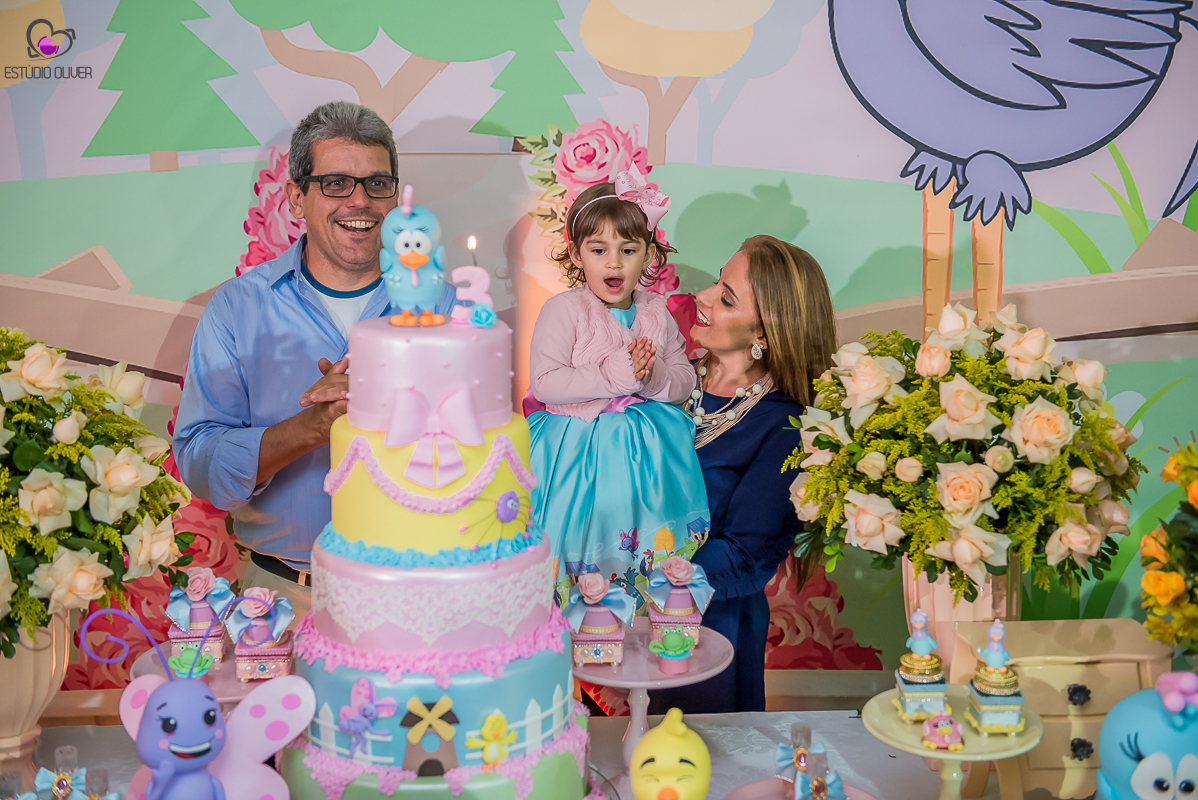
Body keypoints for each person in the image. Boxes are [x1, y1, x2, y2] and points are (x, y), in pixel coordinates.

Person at [173, 101, 453, 615]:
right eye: (336, 183)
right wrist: (310, 428)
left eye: (377, 183)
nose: (360, 201)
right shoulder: (237, 308)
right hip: (280, 602)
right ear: (296, 198)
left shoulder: (443, 304)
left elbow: (478, 448)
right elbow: (199, 462)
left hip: (419, 593)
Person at [649, 235, 837, 713]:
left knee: (683, 754)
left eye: (727, 298)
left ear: (764, 335)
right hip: (608, 608)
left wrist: (648, 578)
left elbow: (744, 550)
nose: (703, 296)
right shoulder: (670, 378)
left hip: (704, 626)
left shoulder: (786, 424)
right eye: (717, 282)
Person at [527, 175, 710, 598]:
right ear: (577, 253)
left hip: (647, 450)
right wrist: (613, 376)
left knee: (642, 533)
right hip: (576, 449)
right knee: (584, 528)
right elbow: (546, 382)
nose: (614, 263)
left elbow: (684, 380)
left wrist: (651, 377)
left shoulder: (656, 311)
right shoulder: (565, 310)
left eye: (628, 250)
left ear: (648, 254)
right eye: (599, 250)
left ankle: (638, 600)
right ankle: (580, 602)